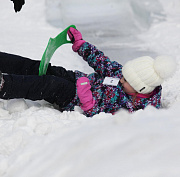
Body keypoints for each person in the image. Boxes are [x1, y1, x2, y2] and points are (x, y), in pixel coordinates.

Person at [0, 27, 176, 117]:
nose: (121, 79)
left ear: (141, 89)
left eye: (126, 81)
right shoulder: (124, 75)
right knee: (44, 68)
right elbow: (101, 61)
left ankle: (4, 85)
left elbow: (103, 120)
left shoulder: (137, 110)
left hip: (75, 98)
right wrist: (81, 45)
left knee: (49, 84)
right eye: (123, 75)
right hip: (78, 79)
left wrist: (87, 100)